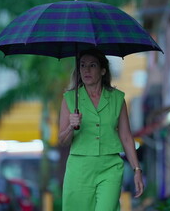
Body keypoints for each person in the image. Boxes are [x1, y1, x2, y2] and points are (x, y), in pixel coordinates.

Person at [58, 49, 144, 211]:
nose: (86, 70)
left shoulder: (117, 98)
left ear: (103, 70)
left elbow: (126, 137)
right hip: (79, 169)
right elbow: (62, 140)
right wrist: (71, 126)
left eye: (92, 65)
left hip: (110, 167)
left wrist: (137, 170)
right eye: (82, 65)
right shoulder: (70, 99)